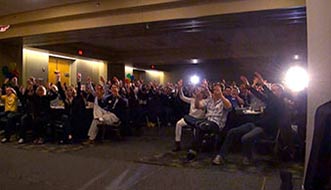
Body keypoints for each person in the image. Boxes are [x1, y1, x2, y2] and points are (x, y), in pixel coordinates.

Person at [212, 72, 287, 165]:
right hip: (257, 125)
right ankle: (221, 156)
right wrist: (248, 86)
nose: (272, 92)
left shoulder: (280, 103)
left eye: (274, 90)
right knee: (232, 132)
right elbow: (260, 95)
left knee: (245, 138)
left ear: (280, 92)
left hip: (267, 130)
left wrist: (263, 84)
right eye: (272, 90)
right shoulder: (271, 100)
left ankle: (248, 157)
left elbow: (271, 97)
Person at [186, 81, 232, 161]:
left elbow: (229, 107)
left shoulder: (224, 100)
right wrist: (197, 97)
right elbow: (198, 106)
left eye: (218, 90)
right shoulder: (209, 100)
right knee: (196, 124)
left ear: (222, 91)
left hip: (216, 124)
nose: (215, 91)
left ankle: (193, 150)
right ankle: (194, 150)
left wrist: (220, 95)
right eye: (214, 90)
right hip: (207, 120)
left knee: (200, 126)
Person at [172, 79, 206, 152]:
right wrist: (180, 88)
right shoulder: (192, 100)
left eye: (198, 92)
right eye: (196, 91)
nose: (196, 93)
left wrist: (196, 98)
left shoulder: (205, 102)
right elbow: (182, 97)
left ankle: (195, 146)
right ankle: (177, 143)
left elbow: (198, 106)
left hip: (199, 120)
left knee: (196, 129)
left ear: (202, 94)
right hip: (190, 118)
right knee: (178, 124)